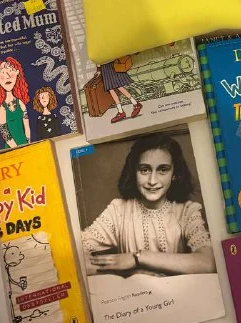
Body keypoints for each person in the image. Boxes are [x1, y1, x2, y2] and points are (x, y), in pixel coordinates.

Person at [82, 134, 216, 276]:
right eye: (144, 170)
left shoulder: (186, 211)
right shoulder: (118, 210)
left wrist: (138, 258)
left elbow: (208, 263)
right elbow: (74, 251)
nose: (152, 181)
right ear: (134, 172)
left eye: (163, 169)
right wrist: (129, 270)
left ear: (174, 174)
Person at [0, 57, 31, 149]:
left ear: (17, 73)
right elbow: (4, 133)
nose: (7, 76)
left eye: (11, 71)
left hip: (25, 143)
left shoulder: (20, 103)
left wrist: (28, 143)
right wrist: (16, 147)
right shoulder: (2, 108)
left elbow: (27, 127)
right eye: (3, 72)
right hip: (11, 147)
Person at [97, 58, 142, 124]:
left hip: (111, 64)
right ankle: (121, 111)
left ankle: (135, 104)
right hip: (104, 68)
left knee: (118, 86)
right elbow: (97, 57)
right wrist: (99, 69)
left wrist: (98, 68)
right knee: (111, 89)